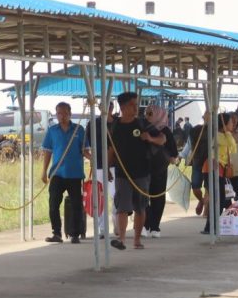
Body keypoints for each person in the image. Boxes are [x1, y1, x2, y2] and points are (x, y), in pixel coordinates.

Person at [108, 92, 164, 250]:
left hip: (142, 172)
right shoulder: (115, 126)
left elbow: (163, 139)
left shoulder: (143, 124)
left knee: (140, 207)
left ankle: (137, 239)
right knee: (122, 207)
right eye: (133, 104)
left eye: (136, 104)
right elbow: (111, 148)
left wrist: (150, 138)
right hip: (122, 173)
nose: (136, 107)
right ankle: (122, 240)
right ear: (123, 107)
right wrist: (107, 167)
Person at [41, 102, 89, 244]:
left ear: (70, 113)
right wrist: (44, 171)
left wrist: (92, 158)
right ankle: (57, 233)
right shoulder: (52, 131)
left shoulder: (78, 129)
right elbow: (47, 152)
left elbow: (84, 150)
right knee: (53, 204)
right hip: (57, 173)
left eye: (64, 113)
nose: (62, 116)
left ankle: (75, 234)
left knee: (76, 204)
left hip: (74, 173)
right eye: (59, 113)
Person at [142, 103, 177, 238]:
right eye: (146, 113)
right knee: (143, 197)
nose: (147, 116)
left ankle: (155, 226)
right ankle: (145, 224)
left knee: (158, 197)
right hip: (144, 169)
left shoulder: (165, 130)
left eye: (150, 113)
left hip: (160, 169)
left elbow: (173, 151)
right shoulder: (142, 128)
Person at [85, 101, 118, 238]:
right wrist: (90, 157)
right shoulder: (92, 124)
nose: (106, 109)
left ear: (112, 108)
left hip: (117, 166)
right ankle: (102, 229)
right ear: (99, 108)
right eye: (103, 106)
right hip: (99, 165)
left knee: (117, 198)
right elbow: (84, 146)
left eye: (109, 106)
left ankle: (118, 225)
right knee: (100, 198)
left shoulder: (119, 122)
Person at [179, 114, 209, 215]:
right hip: (197, 162)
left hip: (210, 162)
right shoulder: (195, 130)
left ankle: (206, 210)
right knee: (195, 187)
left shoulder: (215, 130)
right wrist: (181, 156)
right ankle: (201, 200)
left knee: (209, 187)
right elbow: (189, 144)